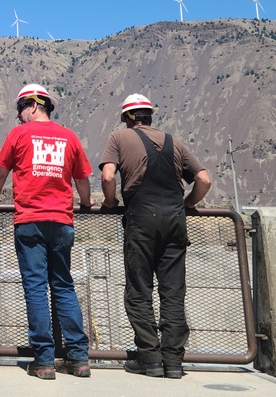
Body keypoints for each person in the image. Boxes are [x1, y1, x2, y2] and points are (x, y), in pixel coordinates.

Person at [99, 93, 212, 380]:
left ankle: (149, 358)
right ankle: (173, 362)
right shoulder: (174, 142)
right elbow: (203, 179)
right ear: (150, 116)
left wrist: (110, 202)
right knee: (173, 292)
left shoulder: (119, 138)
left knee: (139, 289)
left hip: (142, 219)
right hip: (175, 220)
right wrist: (188, 205)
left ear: (127, 117)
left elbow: (109, 176)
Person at [0, 84, 93, 381]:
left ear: (33, 105)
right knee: (63, 286)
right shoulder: (69, 136)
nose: (18, 115)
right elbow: (83, 179)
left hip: (30, 221)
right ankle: (79, 358)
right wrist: (85, 202)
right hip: (62, 222)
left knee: (35, 289)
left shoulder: (18, 135)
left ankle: (44, 361)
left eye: (20, 107)